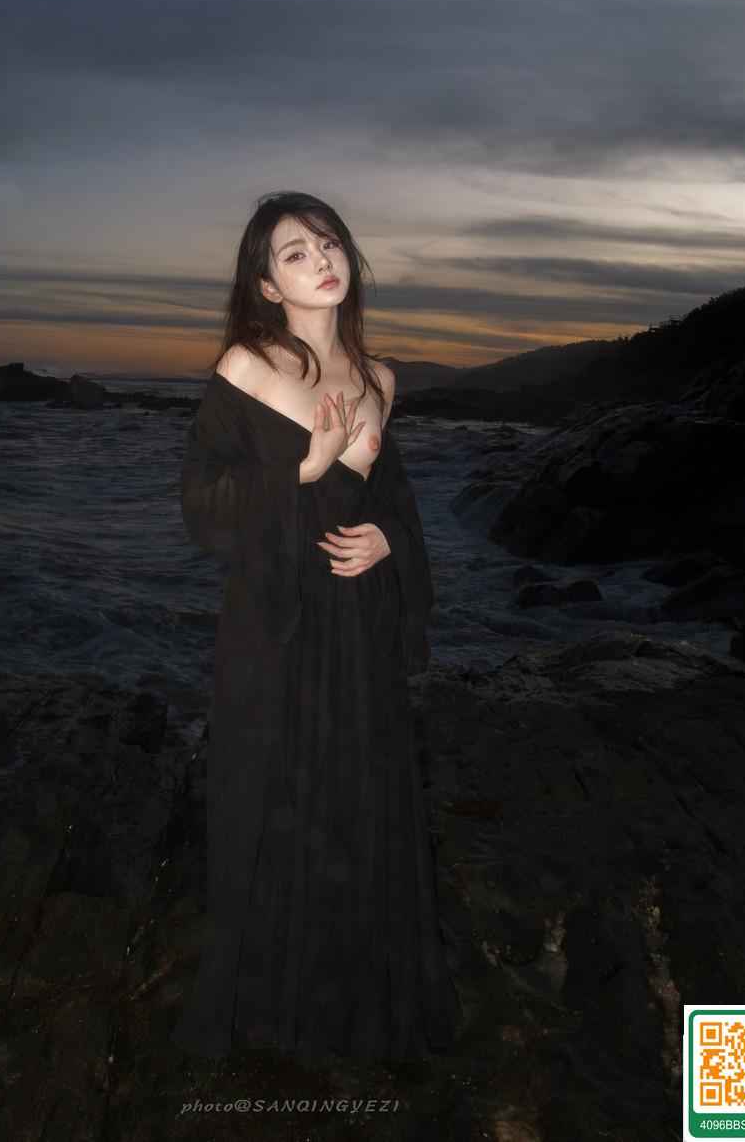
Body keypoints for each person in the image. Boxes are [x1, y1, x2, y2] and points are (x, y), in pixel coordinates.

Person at [170, 190, 464, 1063]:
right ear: (267, 284)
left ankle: (355, 1000)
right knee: (279, 801)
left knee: (358, 798)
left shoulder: (381, 380)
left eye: (328, 242)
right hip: (276, 625)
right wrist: (301, 469)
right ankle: (272, 1012)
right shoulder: (246, 366)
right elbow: (200, 504)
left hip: (357, 624)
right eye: (294, 252)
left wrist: (388, 539)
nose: (320, 259)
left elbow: (393, 501)